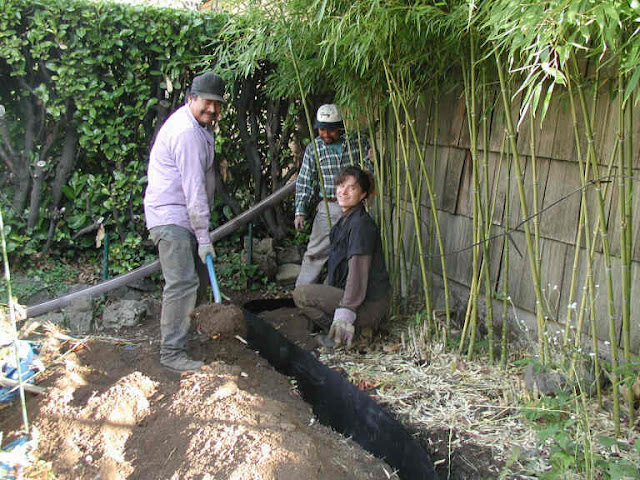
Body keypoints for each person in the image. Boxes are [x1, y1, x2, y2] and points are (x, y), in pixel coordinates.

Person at [143, 71, 224, 373]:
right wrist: (203, 236)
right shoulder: (187, 133)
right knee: (182, 283)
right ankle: (172, 352)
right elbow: (193, 187)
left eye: (217, 104)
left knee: (199, 280)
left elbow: (206, 181)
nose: (212, 109)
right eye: (207, 102)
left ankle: (192, 337)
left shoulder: (201, 127)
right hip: (171, 215)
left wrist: (202, 230)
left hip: (186, 215)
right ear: (191, 98)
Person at [293, 166, 390, 348]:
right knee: (313, 294)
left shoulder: (361, 226)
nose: (343, 192)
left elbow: (357, 274)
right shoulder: (345, 220)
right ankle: (360, 328)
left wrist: (346, 310)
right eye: (340, 186)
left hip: (369, 303)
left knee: (301, 294)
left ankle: (352, 333)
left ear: (363, 195)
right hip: (358, 298)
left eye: (351, 188)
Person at [294, 104, 374, 286]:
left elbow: (370, 173)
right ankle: (301, 294)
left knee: (349, 253)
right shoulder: (314, 148)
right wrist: (300, 211)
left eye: (330, 130)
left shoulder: (358, 142)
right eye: (322, 130)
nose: (326, 135)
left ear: (340, 127)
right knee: (316, 252)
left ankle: (336, 294)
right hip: (329, 207)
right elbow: (305, 180)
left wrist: (374, 159)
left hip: (357, 208)